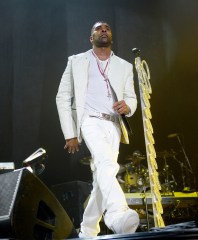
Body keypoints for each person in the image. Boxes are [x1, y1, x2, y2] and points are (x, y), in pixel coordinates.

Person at [56, 21, 139, 237]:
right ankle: (117, 214)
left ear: (111, 35)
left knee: (103, 176)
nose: (103, 30)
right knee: (106, 163)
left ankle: (87, 230)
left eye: (107, 28)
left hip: (113, 125)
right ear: (90, 37)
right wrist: (71, 133)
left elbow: (131, 96)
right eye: (98, 28)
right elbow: (62, 97)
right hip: (89, 121)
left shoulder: (124, 66)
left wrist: (128, 106)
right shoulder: (76, 62)